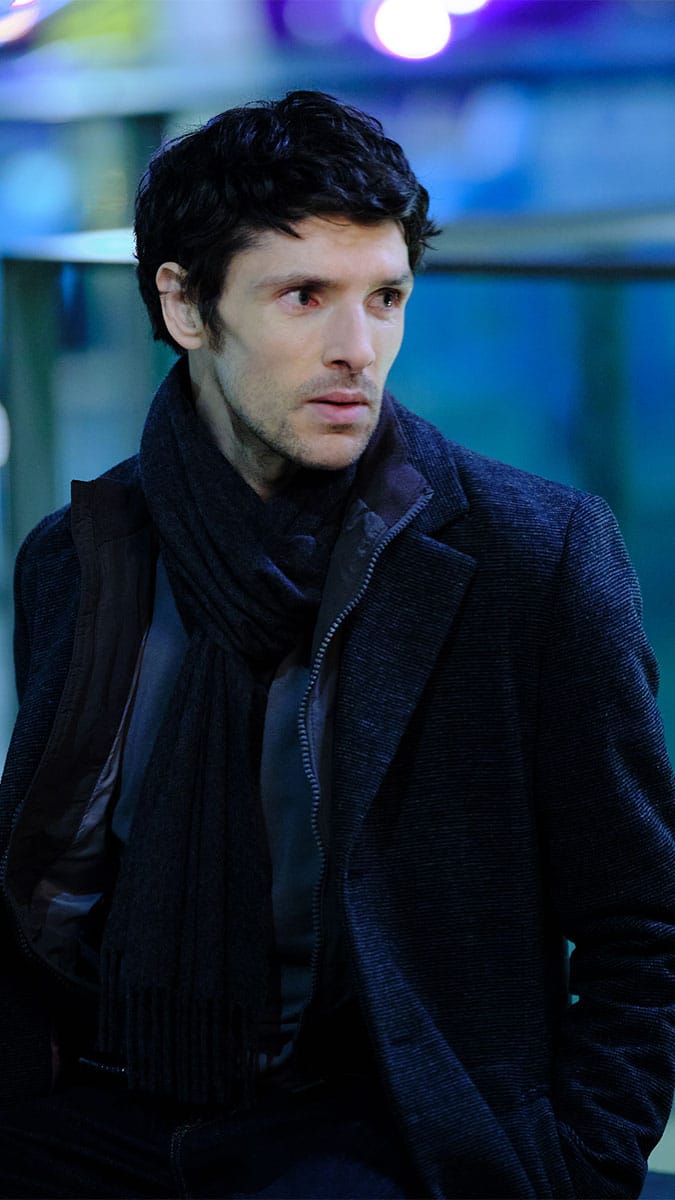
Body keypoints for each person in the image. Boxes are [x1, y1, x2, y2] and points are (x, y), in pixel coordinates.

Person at [0, 89, 673, 1200]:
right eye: (304, 296)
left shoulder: (532, 557)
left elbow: (642, 923)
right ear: (184, 305)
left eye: (386, 298)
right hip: (100, 1104)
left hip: (380, 1128)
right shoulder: (78, 556)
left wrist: (579, 1171)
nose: (357, 350)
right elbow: (46, 878)